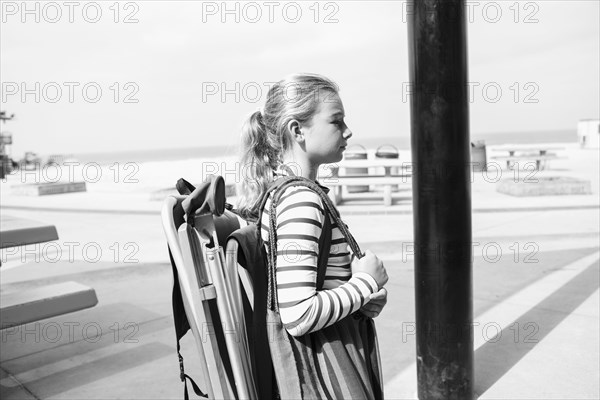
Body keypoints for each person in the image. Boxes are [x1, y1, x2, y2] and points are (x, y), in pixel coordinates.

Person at [236, 73, 388, 398]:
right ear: (297, 130)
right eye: (336, 121)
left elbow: (312, 287)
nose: (348, 131)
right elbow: (298, 314)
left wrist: (361, 300)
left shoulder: (286, 193)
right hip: (325, 370)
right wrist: (365, 284)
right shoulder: (302, 201)